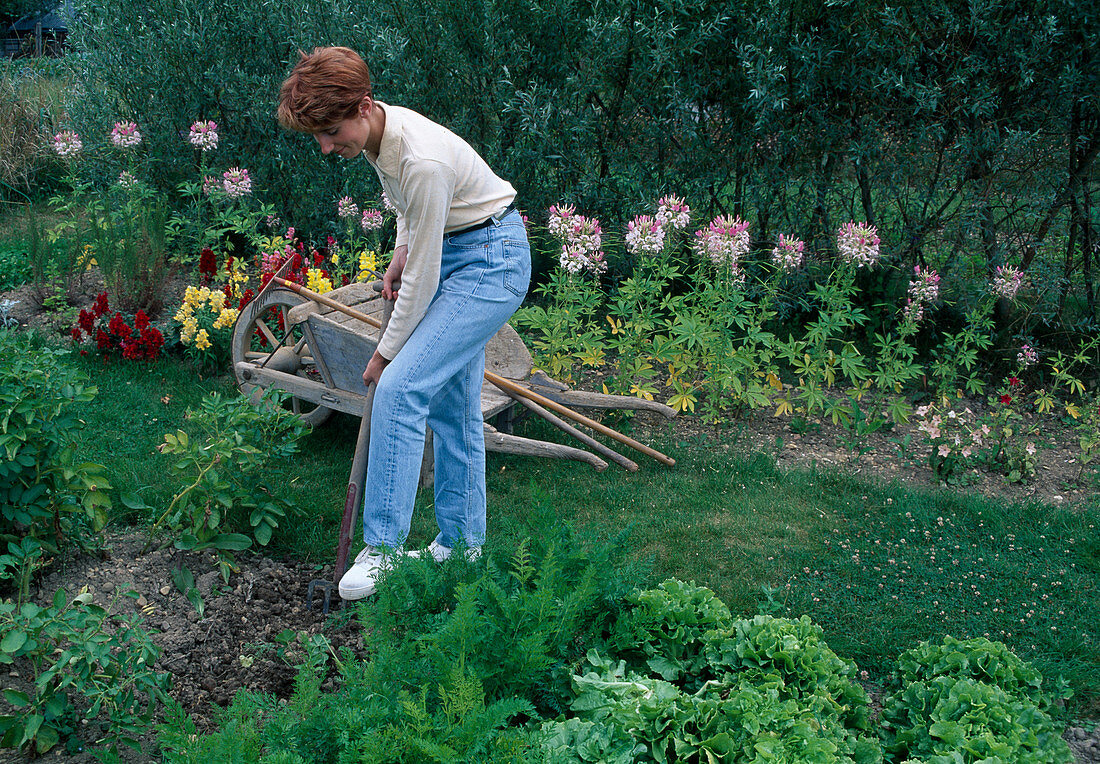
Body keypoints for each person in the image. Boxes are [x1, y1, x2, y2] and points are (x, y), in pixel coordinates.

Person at [277, 47, 530, 600]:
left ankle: (384, 548)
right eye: (318, 135)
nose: (325, 146)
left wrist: (384, 353)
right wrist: (399, 249)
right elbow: (407, 213)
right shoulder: (379, 140)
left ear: (364, 106)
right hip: (462, 250)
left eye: (331, 131)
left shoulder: (421, 158)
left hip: (490, 264)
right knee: (453, 408)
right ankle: (462, 546)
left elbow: (424, 277)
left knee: (400, 387)